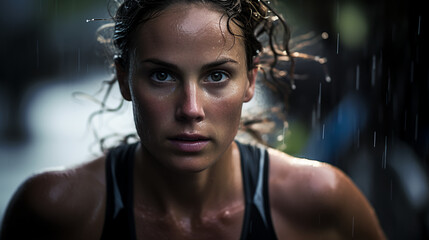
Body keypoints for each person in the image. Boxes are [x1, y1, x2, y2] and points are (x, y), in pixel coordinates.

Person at [0, 0, 386, 239]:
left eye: (216, 76)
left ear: (250, 81)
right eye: (162, 75)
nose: (190, 108)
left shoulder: (320, 202)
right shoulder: (55, 211)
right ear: (124, 79)